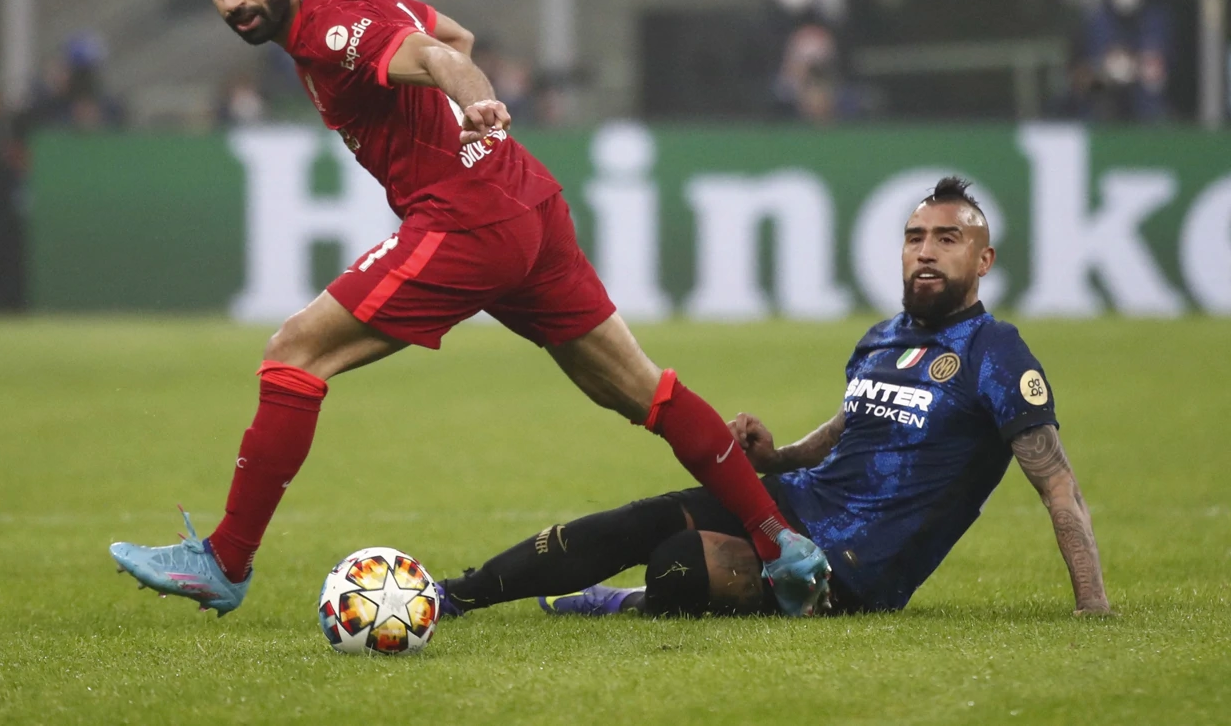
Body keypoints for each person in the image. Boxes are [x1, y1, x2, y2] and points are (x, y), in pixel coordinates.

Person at [109, 0, 829, 617]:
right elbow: (455, 35)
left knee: (293, 354)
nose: (231, 1)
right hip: (527, 204)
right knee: (643, 390)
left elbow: (435, 56)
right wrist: (471, 117)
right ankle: (782, 545)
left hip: (469, 219)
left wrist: (476, 103)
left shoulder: (331, 26)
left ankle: (226, 560)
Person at [435, 177, 1111, 619]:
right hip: (791, 508)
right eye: (914, 238)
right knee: (633, 522)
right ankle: (456, 594)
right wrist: (779, 456)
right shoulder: (884, 337)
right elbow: (856, 423)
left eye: (948, 239)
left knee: (675, 559)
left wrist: (1093, 605)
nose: (926, 252)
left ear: (983, 260)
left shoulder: (997, 354)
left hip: (848, 569)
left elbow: (1059, 486)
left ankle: (624, 601)